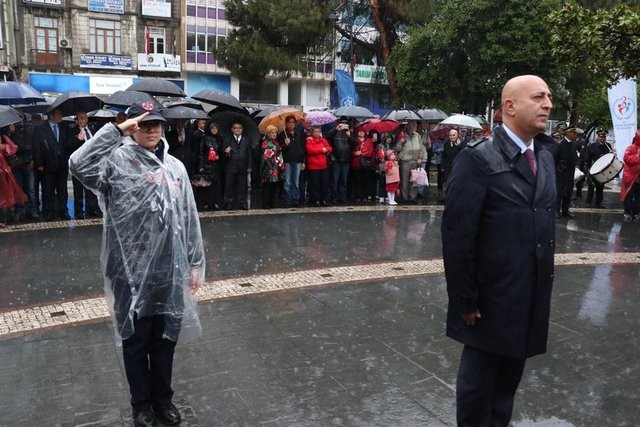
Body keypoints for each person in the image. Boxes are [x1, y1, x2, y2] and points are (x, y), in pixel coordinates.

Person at [69, 101, 205, 427]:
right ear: (133, 127)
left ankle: (163, 399)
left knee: (164, 340)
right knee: (135, 342)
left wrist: (195, 261)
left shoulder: (174, 168)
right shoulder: (116, 164)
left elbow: (186, 217)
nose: (152, 129)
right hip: (129, 271)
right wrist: (115, 133)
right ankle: (141, 405)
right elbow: (77, 163)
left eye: (156, 123)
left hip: (168, 269)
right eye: (144, 124)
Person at [442, 75, 556, 427]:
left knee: (505, 392)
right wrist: (465, 300)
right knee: (478, 394)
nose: (548, 104)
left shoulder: (546, 158)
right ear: (509, 106)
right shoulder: (477, 159)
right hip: (488, 303)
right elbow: (458, 236)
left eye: (549, 97)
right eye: (538, 97)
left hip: (528, 296)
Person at [34, 108, 70, 220]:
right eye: (58, 114)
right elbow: (37, 147)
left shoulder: (63, 127)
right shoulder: (41, 129)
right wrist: (39, 163)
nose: (61, 116)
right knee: (47, 190)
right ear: (51, 116)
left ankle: (63, 210)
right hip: (47, 164)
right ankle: (48, 211)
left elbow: (66, 145)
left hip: (62, 164)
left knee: (63, 190)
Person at [67, 111, 100, 219]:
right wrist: (78, 139)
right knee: (78, 190)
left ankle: (92, 210)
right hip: (79, 166)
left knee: (91, 189)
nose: (82, 120)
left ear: (87, 120)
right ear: (77, 120)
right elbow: (69, 147)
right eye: (79, 118)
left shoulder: (93, 130)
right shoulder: (72, 131)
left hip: (92, 165)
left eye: (83, 118)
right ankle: (79, 211)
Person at [0, 126, 28, 227]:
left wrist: (3, 146)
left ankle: (2, 219)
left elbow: (13, 147)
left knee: (4, 195)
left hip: (3, 170)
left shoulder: (3, 136)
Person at [222, 121, 252, 210]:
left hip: (243, 166)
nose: (238, 129)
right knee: (229, 186)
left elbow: (249, 154)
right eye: (236, 128)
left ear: (242, 129)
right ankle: (228, 203)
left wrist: (249, 166)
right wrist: (226, 152)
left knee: (243, 186)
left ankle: (242, 203)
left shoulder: (247, 139)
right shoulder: (227, 139)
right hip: (230, 166)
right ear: (232, 129)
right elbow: (222, 152)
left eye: (239, 128)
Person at [395, 120, 427, 204]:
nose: (413, 128)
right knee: (404, 181)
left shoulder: (418, 136)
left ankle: (412, 197)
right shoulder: (402, 135)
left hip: (415, 161)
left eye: (414, 126)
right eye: (411, 126)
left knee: (414, 180)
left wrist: (420, 158)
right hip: (405, 161)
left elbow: (421, 148)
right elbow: (397, 149)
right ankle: (404, 197)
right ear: (407, 126)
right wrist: (400, 142)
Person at [193, 121, 222, 210]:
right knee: (206, 185)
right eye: (212, 128)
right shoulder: (204, 138)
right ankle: (206, 203)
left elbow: (222, 151)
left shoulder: (220, 138)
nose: (214, 130)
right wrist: (201, 165)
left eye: (216, 128)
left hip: (217, 165)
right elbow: (201, 152)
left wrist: (219, 156)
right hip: (207, 164)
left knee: (216, 185)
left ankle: (215, 202)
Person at [278, 115, 305, 207]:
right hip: (287, 161)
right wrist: (285, 144)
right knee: (287, 181)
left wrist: (303, 161)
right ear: (286, 123)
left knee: (296, 182)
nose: (291, 124)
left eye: (293, 122)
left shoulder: (298, 134)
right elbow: (279, 150)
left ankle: (295, 199)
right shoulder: (282, 135)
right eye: (289, 122)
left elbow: (302, 148)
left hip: (297, 161)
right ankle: (287, 200)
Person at [327, 119, 355, 204]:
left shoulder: (349, 133)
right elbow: (328, 137)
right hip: (336, 159)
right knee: (335, 180)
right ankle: (334, 197)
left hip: (346, 160)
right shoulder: (335, 132)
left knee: (344, 180)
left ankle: (342, 197)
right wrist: (336, 129)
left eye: (346, 124)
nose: (344, 126)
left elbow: (355, 144)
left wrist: (349, 136)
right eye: (343, 124)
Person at [554, 125, 578, 218]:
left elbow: (574, 157)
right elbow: (555, 159)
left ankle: (565, 211)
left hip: (570, 173)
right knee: (559, 193)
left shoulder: (573, 144)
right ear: (567, 133)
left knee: (568, 193)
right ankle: (556, 211)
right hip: (560, 173)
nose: (575, 134)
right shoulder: (560, 144)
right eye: (573, 132)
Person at [584, 129, 612, 208]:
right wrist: (588, 169)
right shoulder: (592, 146)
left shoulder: (608, 146)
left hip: (603, 170)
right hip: (593, 169)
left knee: (600, 187)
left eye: (604, 137)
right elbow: (587, 158)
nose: (603, 138)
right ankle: (588, 202)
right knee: (591, 186)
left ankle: (598, 203)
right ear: (598, 136)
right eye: (601, 136)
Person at [305, 125, 332, 206]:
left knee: (324, 183)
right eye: (315, 132)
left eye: (318, 132)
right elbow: (310, 150)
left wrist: (326, 149)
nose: (317, 133)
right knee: (314, 184)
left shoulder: (323, 140)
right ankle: (315, 200)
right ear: (312, 133)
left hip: (323, 166)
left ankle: (323, 199)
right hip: (313, 166)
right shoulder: (309, 140)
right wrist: (321, 150)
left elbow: (330, 148)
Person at [260, 125, 285, 208]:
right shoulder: (265, 143)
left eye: (275, 132)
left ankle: (272, 202)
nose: (274, 134)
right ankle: (265, 203)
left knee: (275, 186)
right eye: (272, 132)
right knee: (267, 187)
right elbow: (265, 157)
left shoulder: (276, 142)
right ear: (267, 134)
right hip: (269, 168)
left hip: (277, 168)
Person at [620, 130, 640, 221]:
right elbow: (627, 159)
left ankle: (636, 212)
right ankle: (627, 212)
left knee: (638, 197)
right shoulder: (631, 148)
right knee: (629, 195)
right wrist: (638, 156)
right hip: (631, 177)